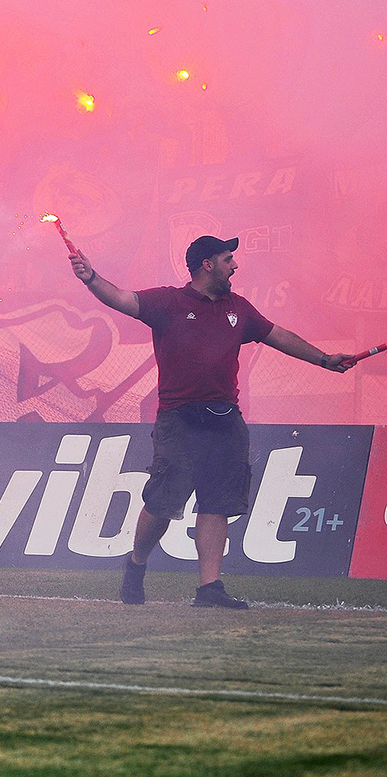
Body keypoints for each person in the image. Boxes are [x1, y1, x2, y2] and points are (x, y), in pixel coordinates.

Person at [70, 235, 356, 608]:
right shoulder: (169, 301)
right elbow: (122, 298)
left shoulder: (239, 308)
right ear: (207, 265)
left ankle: (209, 588)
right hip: (178, 418)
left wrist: (324, 359)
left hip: (225, 418)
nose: (234, 266)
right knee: (163, 502)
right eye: (227, 259)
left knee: (217, 502)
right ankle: (137, 563)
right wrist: (91, 278)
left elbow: (279, 336)